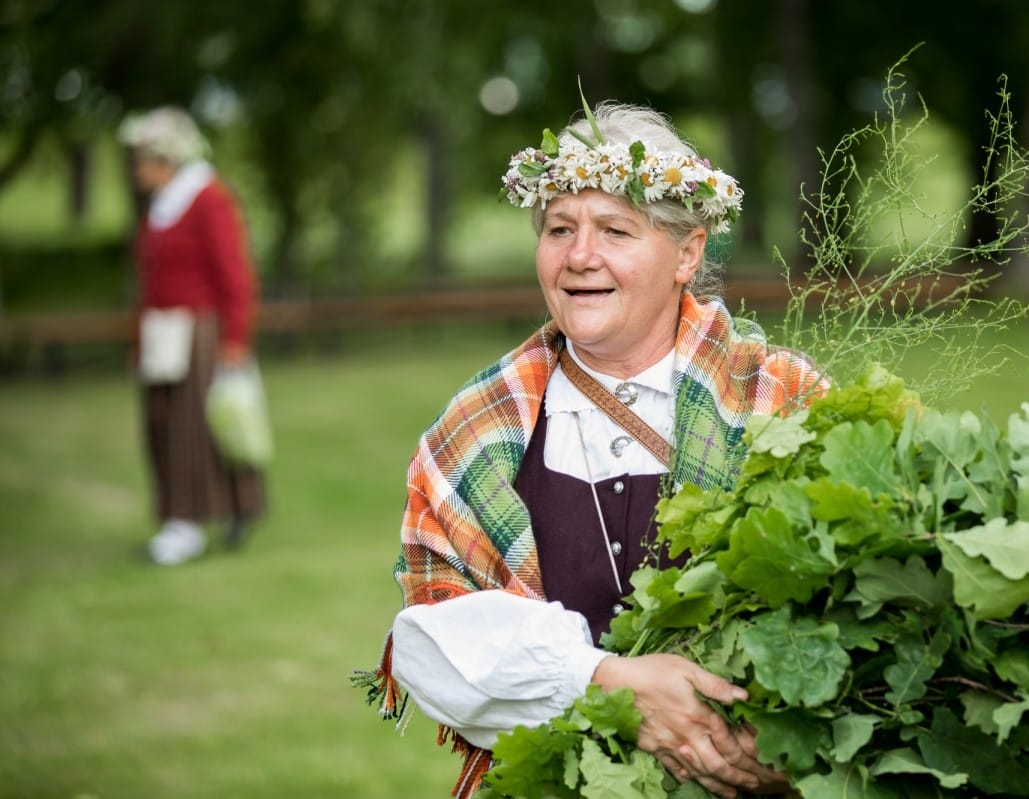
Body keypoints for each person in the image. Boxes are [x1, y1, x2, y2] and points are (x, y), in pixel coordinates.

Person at [365, 101, 828, 798]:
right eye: (560, 229)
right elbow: (434, 646)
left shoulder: (783, 399)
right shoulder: (478, 428)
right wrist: (606, 683)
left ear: (688, 253)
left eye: (615, 229)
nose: (580, 256)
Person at [118, 106, 267, 566]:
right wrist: (139, 338)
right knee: (162, 426)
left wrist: (235, 338)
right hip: (163, 334)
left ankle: (189, 525)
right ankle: (201, 515)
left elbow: (235, 275)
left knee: (197, 429)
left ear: (166, 158)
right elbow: (150, 278)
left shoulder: (207, 198)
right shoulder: (160, 205)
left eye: (142, 157)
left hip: (200, 333)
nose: (136, 167)